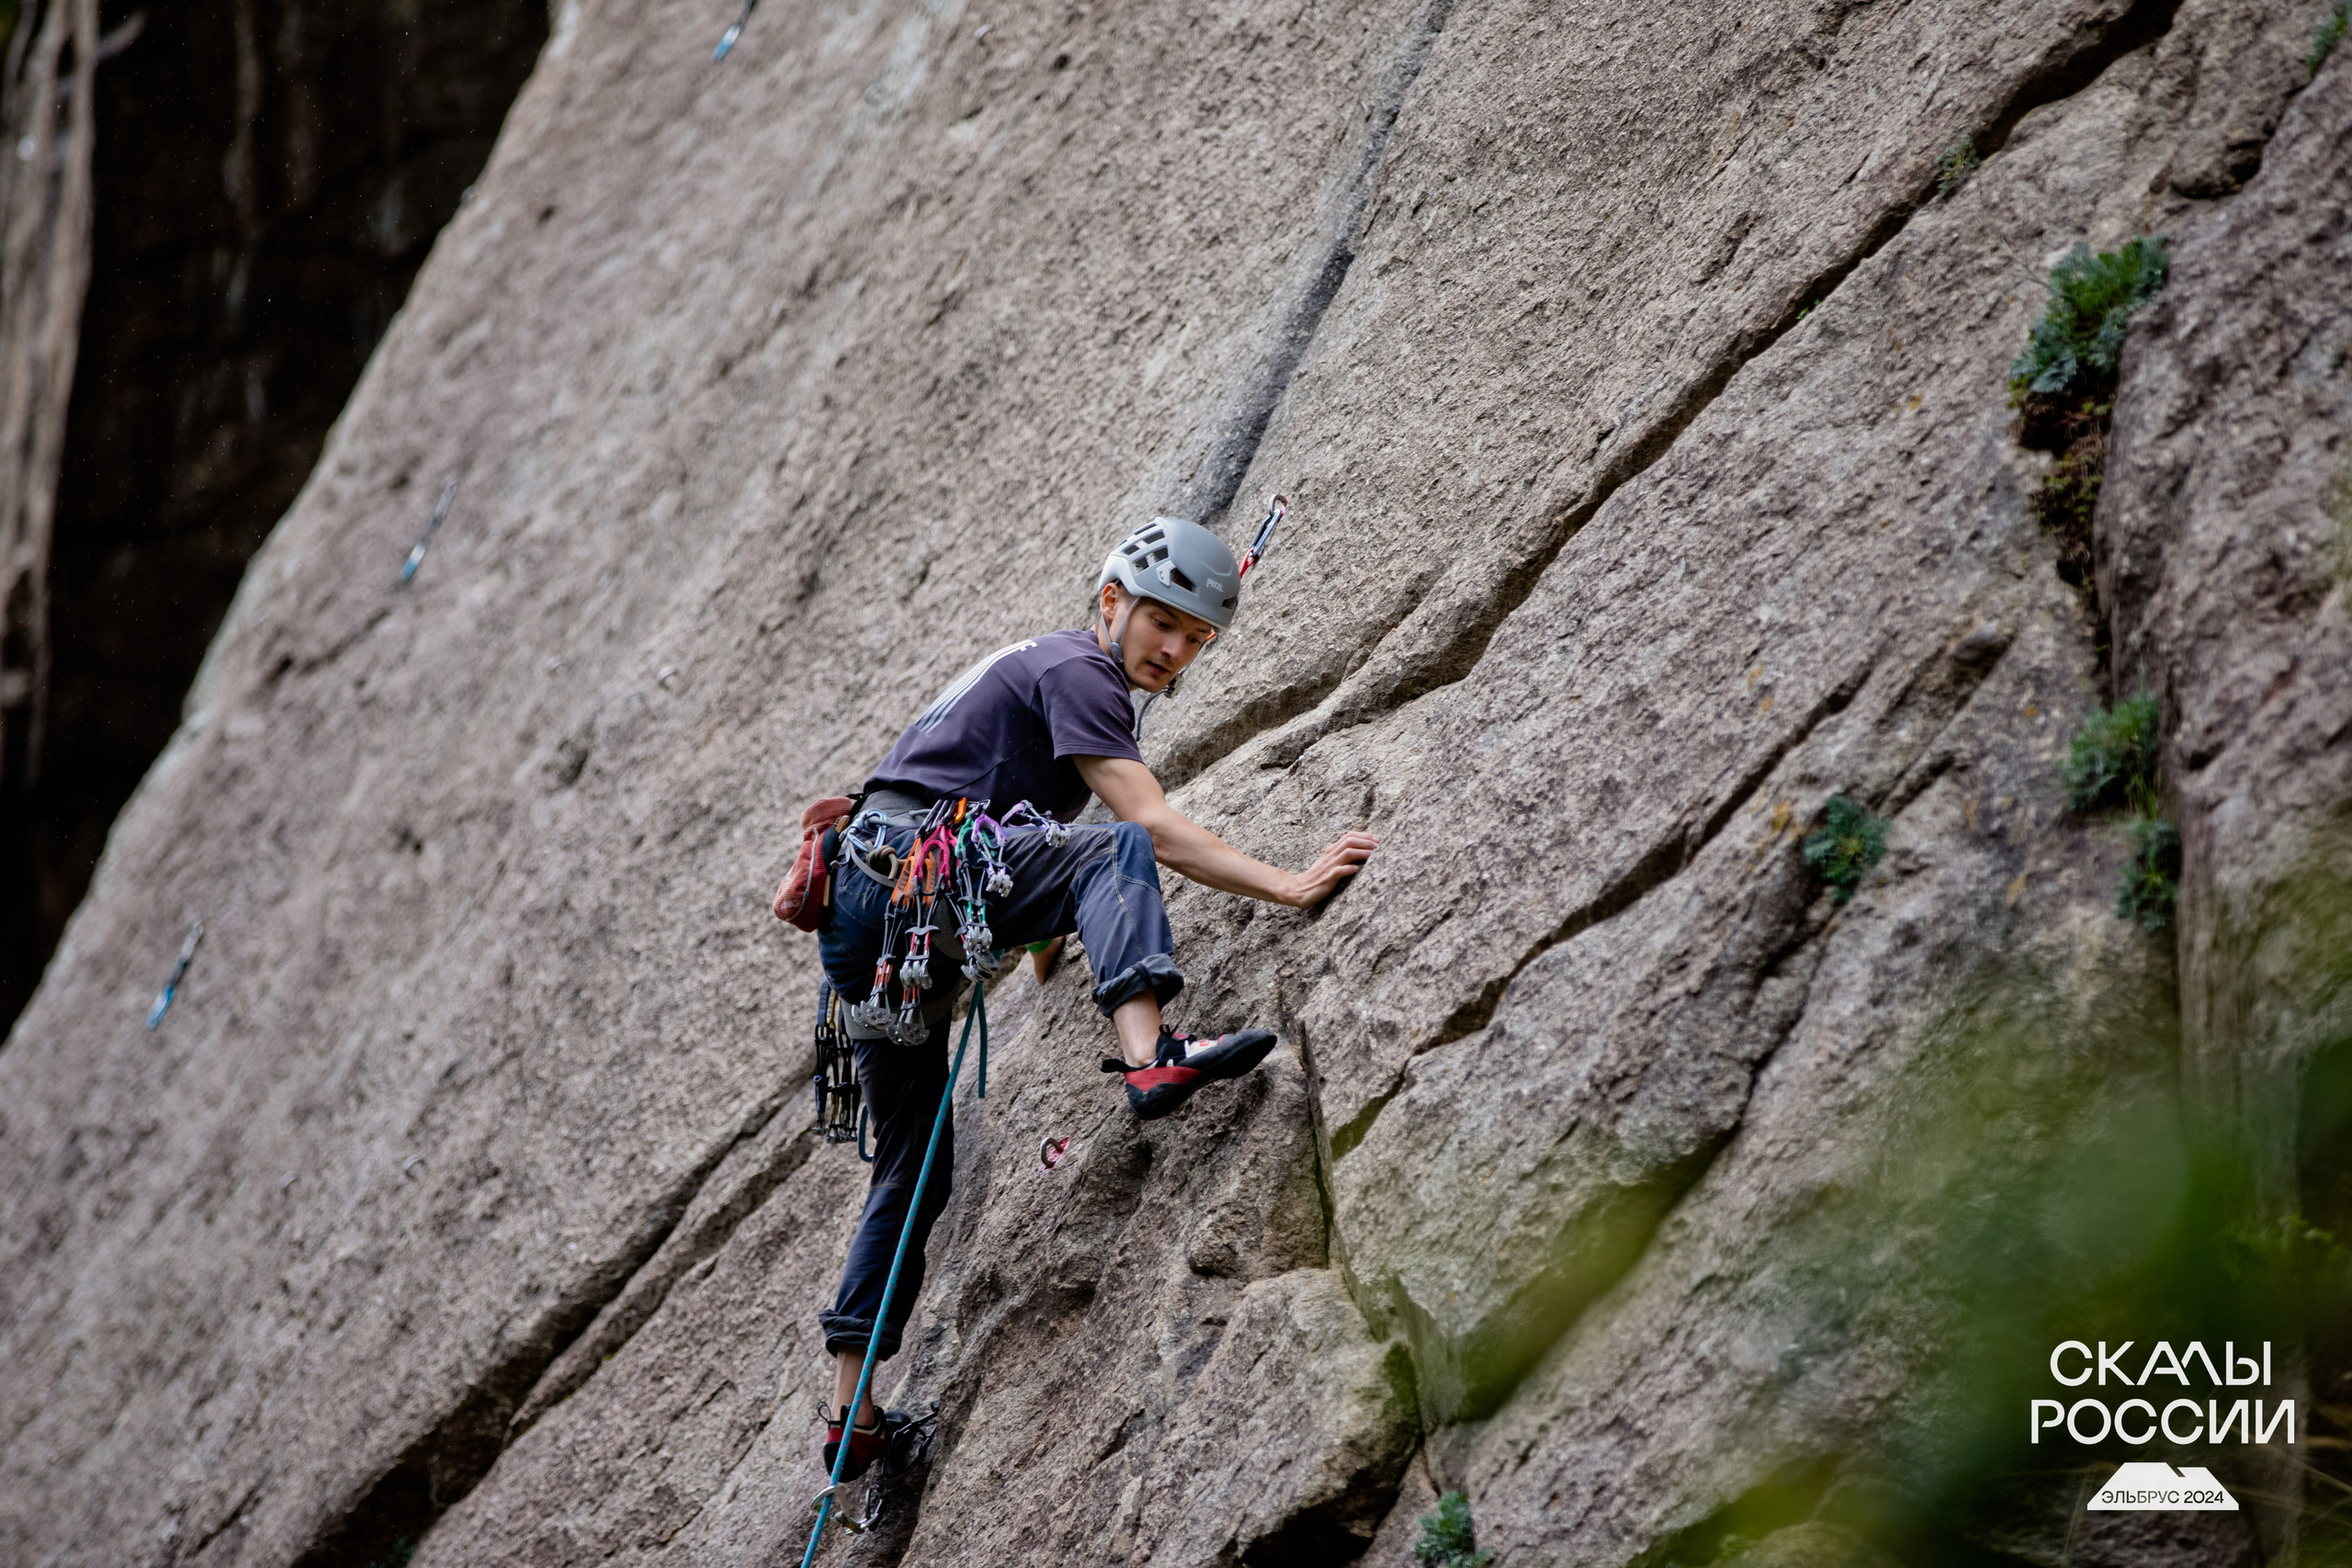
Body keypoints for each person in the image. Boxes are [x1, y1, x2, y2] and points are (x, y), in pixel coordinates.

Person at [809, 513, 1378, 1478]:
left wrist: (1048, 935)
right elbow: (1143, 826)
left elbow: (1023, 849)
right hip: (912, 873)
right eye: (1163, 624)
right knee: (1116, 844)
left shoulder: (1047, 674)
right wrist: (1285, 883)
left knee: (914, 1172)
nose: (1175, 651)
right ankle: (1154, 1057)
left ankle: (848, 1417)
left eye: (1197, 641)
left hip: (874, 919)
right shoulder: (1079, 668)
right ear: (1111, 601)